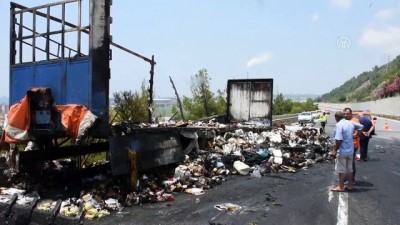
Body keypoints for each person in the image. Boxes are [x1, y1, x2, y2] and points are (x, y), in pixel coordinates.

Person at [331, 111, 363, 192]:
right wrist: (357, 135)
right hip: (350, 150)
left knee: (341, 170)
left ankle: (341, 187)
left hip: (342, 151)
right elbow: (361, 127)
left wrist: (334, 150)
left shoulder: (339, 125)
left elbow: (338, 140)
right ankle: (350, 186)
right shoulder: (350, 123)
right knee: (350, 169)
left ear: (336, 118)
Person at [343, 107, 361, 184]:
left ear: (351, 114)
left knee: (351, 162)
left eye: (347, 114)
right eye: (344, 114)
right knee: (346, 162)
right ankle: (345, 178)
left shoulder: (355, 121)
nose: (345, 115)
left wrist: (355, 135)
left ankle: (351, 179)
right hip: (347, 145)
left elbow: (359, 129)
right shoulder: (345, 121)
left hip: (353, 145)